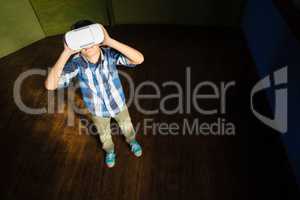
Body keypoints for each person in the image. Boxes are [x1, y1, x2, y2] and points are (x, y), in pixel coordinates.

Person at [45, 20, 144, 168]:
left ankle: (132, 141)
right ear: (76, 45)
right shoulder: (76, 63)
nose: (87, 44)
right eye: (81, 41)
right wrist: (66, 53)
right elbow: (50, 85)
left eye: (91, 38)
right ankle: (109, 150)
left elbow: (139, 59)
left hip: (119, 104)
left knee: (127, 126)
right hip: (97, 111)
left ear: (99, 39)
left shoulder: (110, 54)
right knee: (104, 134)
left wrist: (110, 41)